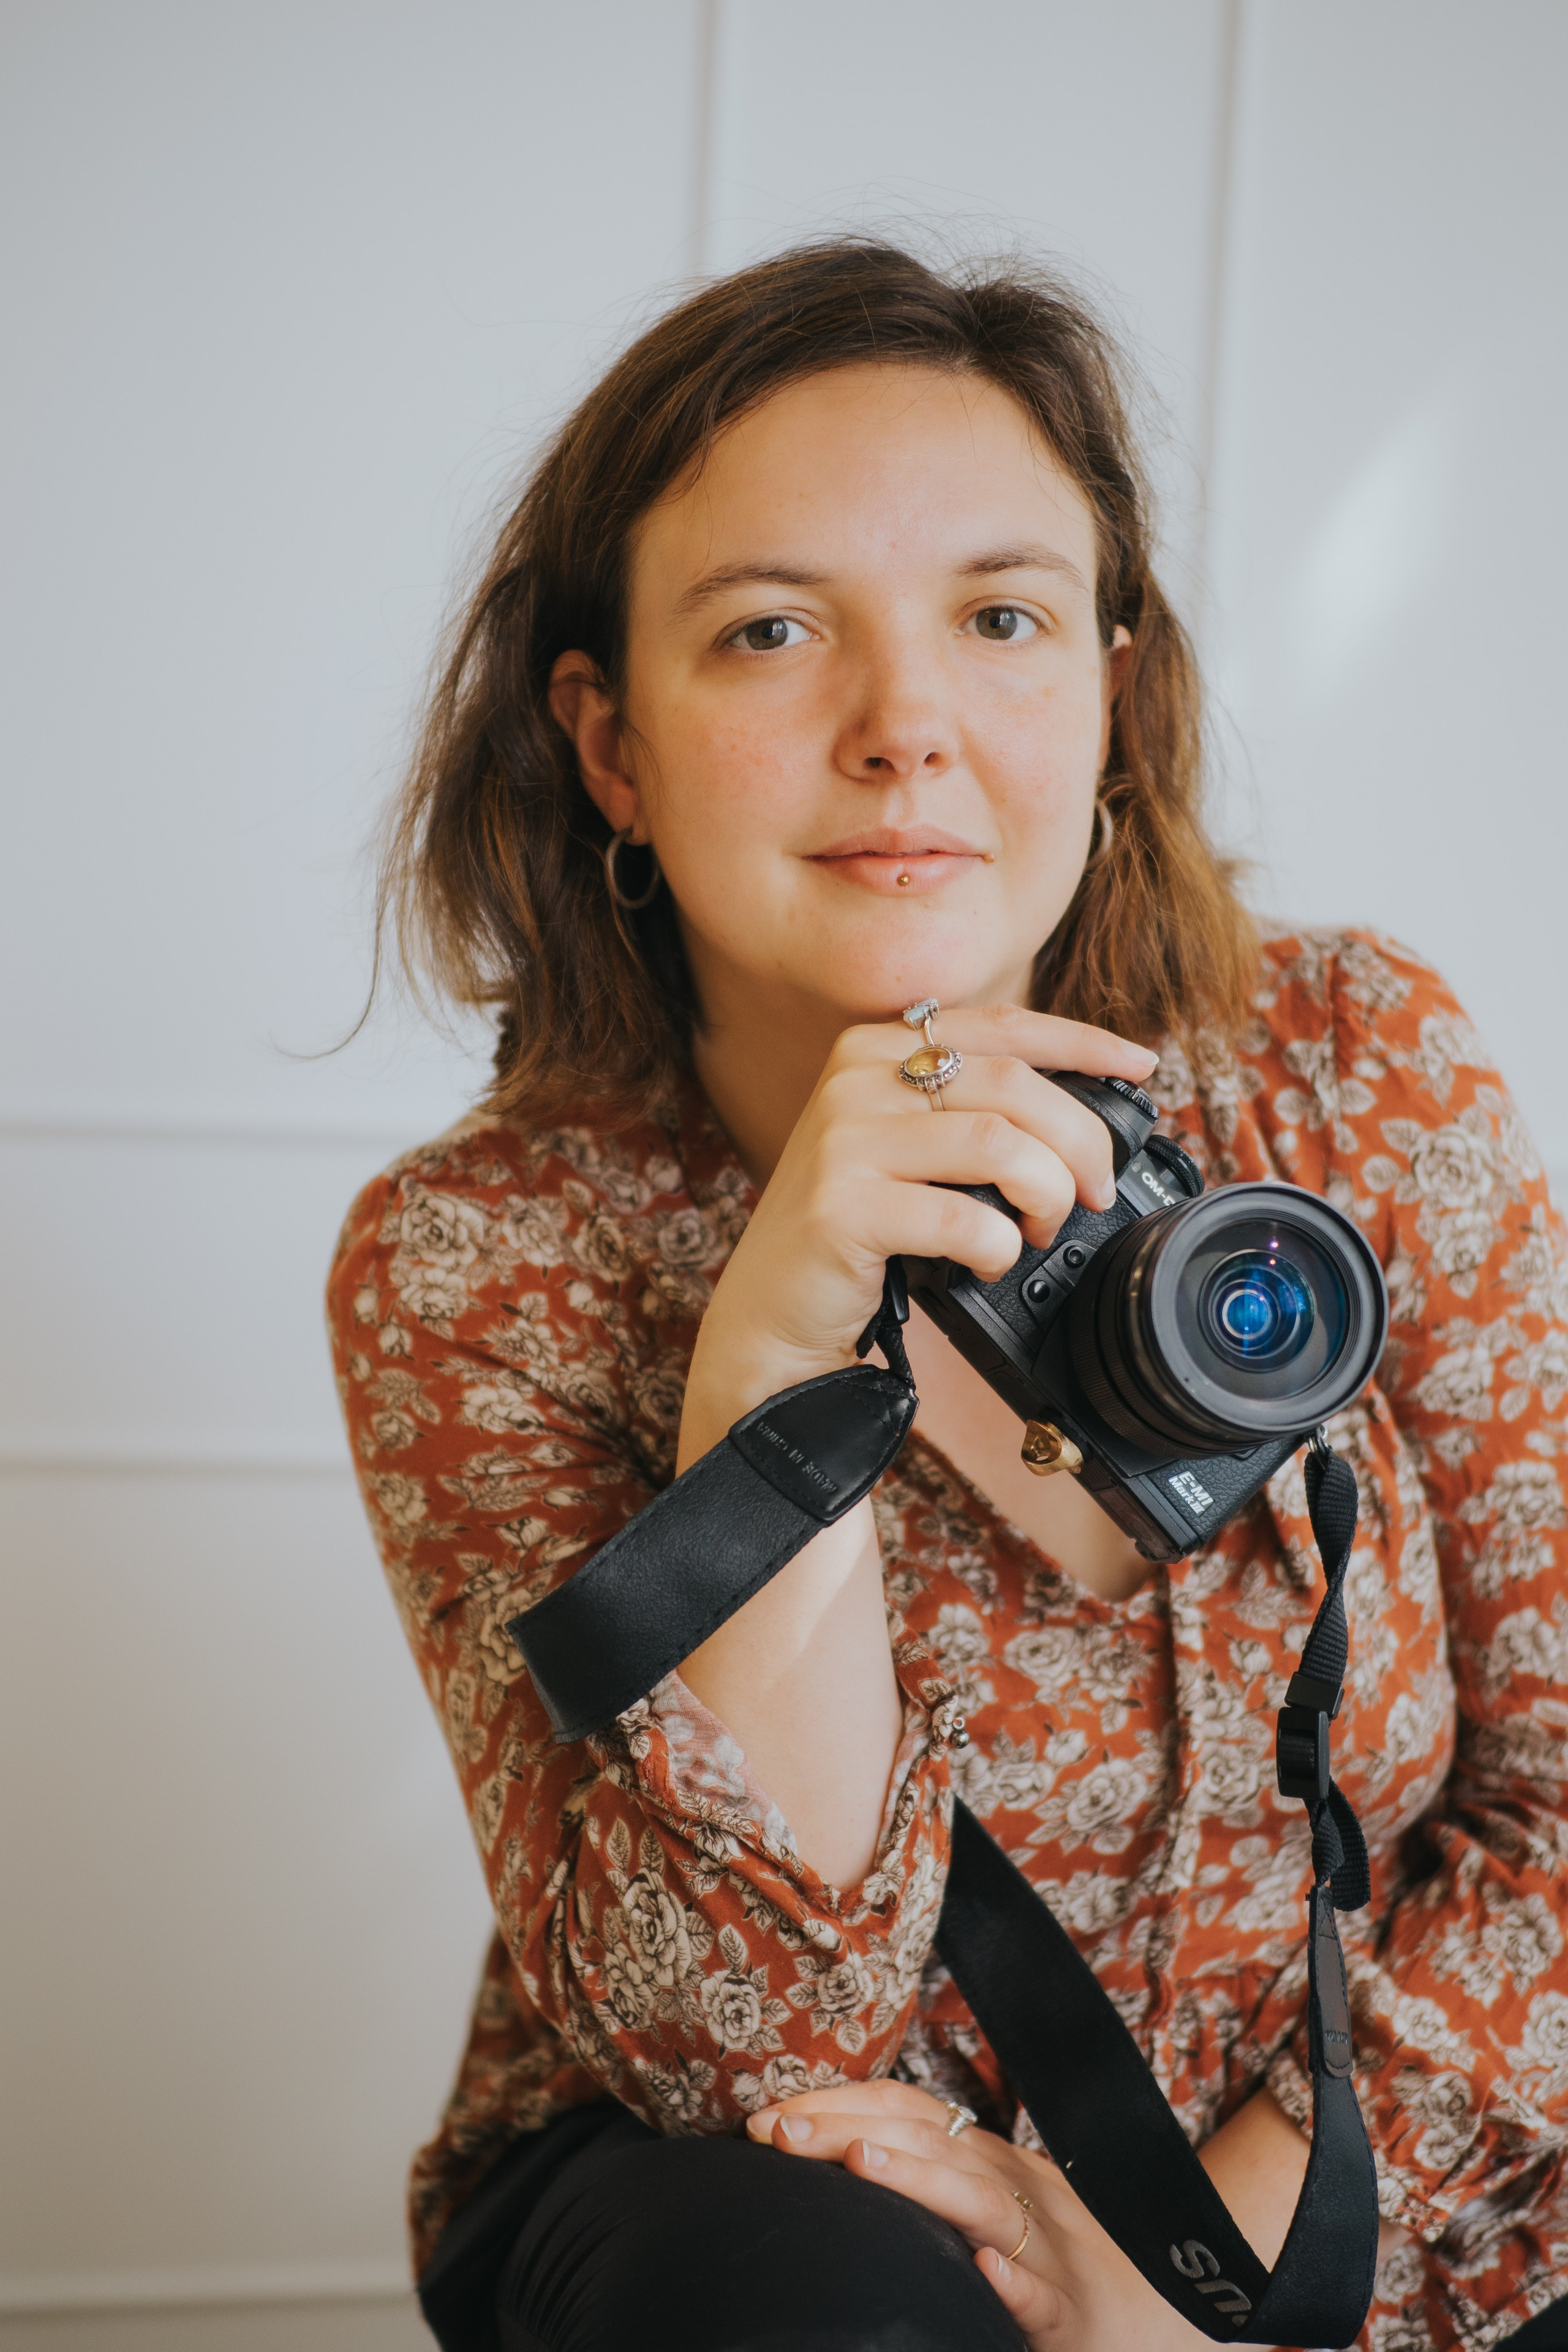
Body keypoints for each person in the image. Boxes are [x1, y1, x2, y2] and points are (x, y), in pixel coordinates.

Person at [326, 241, 1568, 2351]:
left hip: (1374, 2159)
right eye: (773, 631)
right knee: (801, 2289)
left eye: (997, 619)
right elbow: (733, 2049)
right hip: (808, 2191)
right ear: (611, 744)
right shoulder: (486, 1253)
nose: (906, 731)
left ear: (1109, 686)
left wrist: (1210, 2276)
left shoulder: (1351, 1065)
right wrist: (773, 1383)